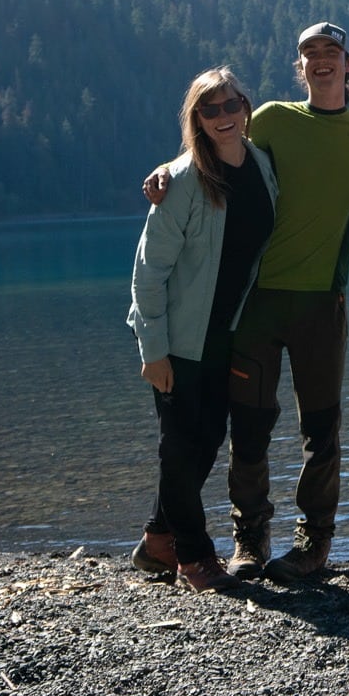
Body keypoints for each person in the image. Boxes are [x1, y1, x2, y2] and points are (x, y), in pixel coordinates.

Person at [142, 21, 349, 583]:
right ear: (298, 67)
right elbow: (217, 148)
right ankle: (250, 539)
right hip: (256, 307)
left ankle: (313, 542)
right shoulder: (274, 118)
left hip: (321, 304)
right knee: (248, 428)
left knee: (321, 430)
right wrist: (165, 173)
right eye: (310, 54)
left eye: (332, 52)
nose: (322, 61)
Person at [128, 67, 278, 591]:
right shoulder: (184, 181)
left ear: (245, 107)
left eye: (230, 105)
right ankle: (193, 557)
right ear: (196, 118)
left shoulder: (261, 164)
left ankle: (156, 540)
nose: (222, 117)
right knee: (179, 445)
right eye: (209, 109)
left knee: (208, 439)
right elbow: (148, 271)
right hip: (174, 335)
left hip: (222, 333)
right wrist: (154, 350)